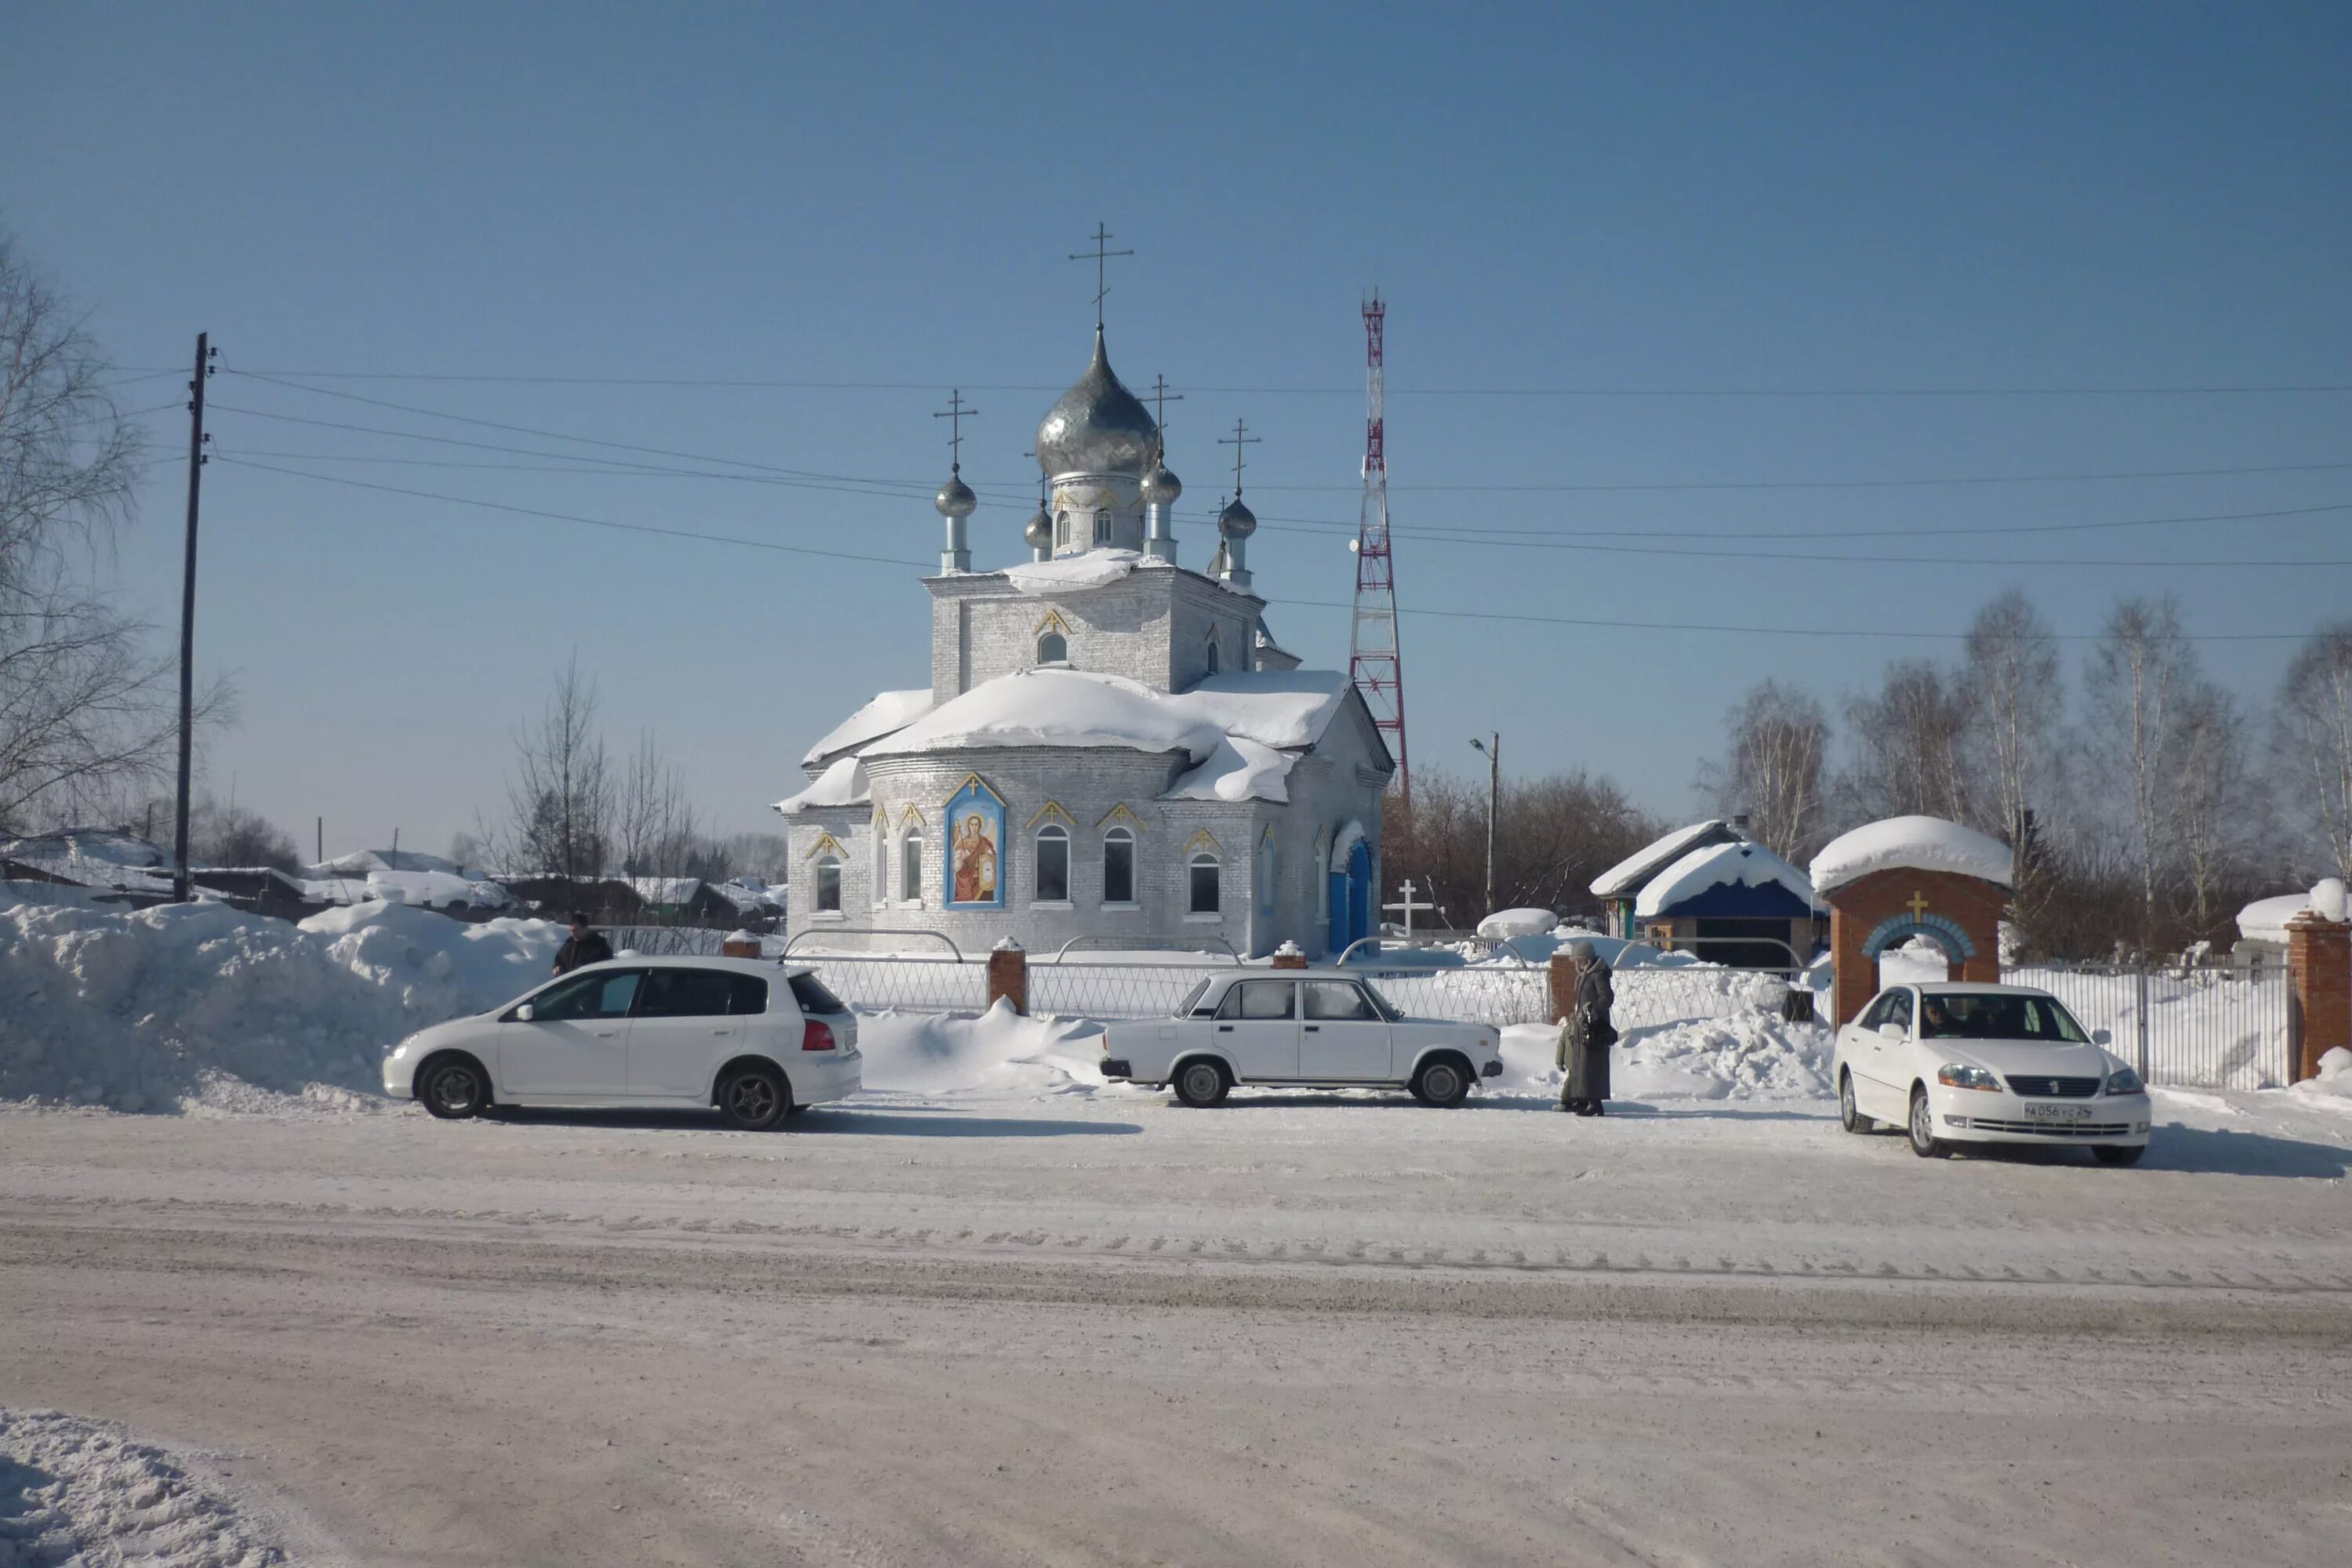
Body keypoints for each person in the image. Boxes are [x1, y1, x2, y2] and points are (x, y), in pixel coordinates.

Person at [1555, 940, 1618, 1116]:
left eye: (1579, 961)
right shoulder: (1587, 975)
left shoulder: (1598, 975)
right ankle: (1583, 1099)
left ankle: (1595, 1103)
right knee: (1582, 1065)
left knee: (1592, 1065)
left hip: (1594, 1027)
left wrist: (1592, 1009)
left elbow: (1607, 998)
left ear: (1587, 960)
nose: (1577, 965)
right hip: (1584, 1026)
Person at [551, 910, 614, 976]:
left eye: (575, 930)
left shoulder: (599, 946)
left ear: (586, 928)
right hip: (570, 984)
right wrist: (556, 968)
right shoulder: (568, 945)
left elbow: (607, 970)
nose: (573, 933)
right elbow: (559, 961)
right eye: (570, 930)